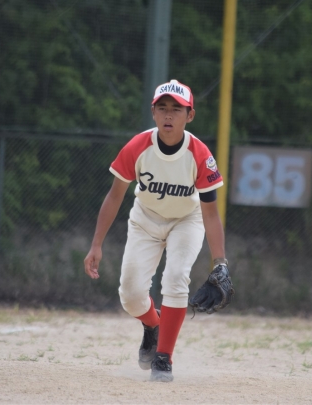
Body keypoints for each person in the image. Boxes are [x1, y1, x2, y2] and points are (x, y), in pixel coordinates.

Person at [83, 79, 227, 382]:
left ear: (190, 115)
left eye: (177, 109)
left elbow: (211, 214)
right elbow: (114, 196)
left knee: (175, 278)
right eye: (162, 108)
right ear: (153, 112)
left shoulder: (200, 154)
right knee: (131, 295)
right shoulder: (138, 147)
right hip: (145, 220)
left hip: (186, 221)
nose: (168, 115)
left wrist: (220, 263)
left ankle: (164, 358)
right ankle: (153, 324)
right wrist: (96, 244)